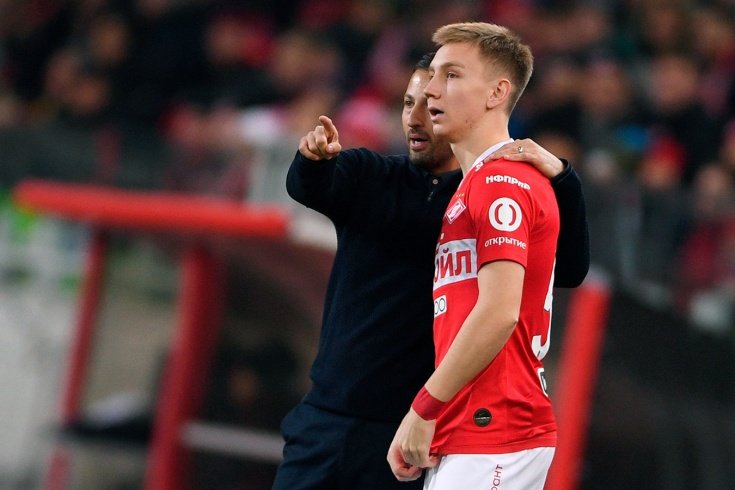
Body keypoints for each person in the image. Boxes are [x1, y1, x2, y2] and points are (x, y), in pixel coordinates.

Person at [273, 50, 589, 490]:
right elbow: (308, 187)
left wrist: (563, 180)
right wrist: (312, 159)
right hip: (327, 420)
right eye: (408, 103)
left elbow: (568, 269)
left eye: (432, 104)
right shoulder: (371, 174)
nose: (417, 118)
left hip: (413, 428)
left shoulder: (489, 191)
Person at [387, 23, 561, 489]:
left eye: (452, 75)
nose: (432, 90)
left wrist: (424, 407)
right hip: (472, 429)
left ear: (497, 93)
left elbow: (499, 312)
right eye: (433, 75)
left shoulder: (501, 182)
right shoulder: (478, 184)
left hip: (496, 431)